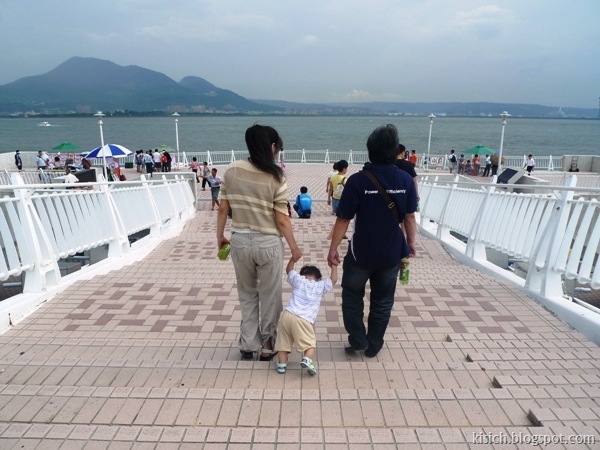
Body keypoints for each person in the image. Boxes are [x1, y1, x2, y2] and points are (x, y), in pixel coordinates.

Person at [327, 124, 417, 358]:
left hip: (360, 254)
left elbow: (343, 219)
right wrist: (411, 243)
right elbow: (409, 216)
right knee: (383, 301)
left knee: (352, 297)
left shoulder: (357, 181)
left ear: (369, 150)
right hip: (391, 253)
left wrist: (333, 248)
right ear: (395, 151)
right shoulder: (405, 180)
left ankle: (358, 339)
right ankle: (374, 344)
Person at [217, 124, 302, 361]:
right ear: (272, 147)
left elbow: (223, 209)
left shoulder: (232, 170)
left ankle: (248, 344)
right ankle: (267, 344)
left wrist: (220, 237)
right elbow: (281, 219)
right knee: (270, 295)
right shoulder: (276, 176)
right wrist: (294, 248)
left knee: (246, 293)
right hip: (268, 243)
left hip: (239, 241)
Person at [274, 256, 337, 375]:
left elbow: (289, 270)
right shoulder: (320, 286)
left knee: (283, 342)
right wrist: (334, 265)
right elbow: (333, 280)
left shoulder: (298, 280)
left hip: (287, 315)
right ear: (318, 278)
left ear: (302, 275)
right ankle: (307, 359)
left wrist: (293, 259)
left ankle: (281, 365)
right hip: (304, 320)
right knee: (309, 344)